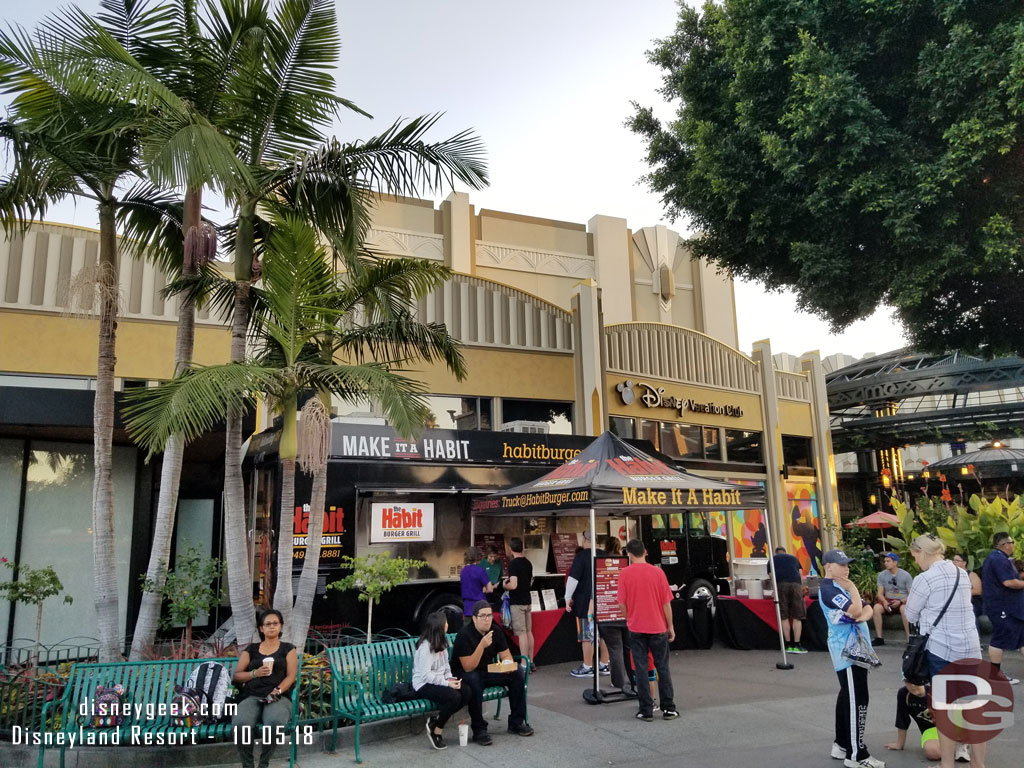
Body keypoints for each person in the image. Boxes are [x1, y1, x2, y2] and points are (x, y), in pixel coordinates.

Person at [905, 533, 986, 768]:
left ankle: (947, 764)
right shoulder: (961, 574)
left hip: (942, 651)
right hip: (971, 649)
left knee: (945, 710)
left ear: (921, 552)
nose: (916, 561)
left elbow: (910, 614)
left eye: (915, 555)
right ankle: (978, 764)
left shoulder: (924, 579)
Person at [818, 549, 883, 768]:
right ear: (829, 566)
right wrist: (854, 591)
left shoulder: (839, 588)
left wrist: (858, 612)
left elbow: (867, 610)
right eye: (842, 564)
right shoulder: (829, 590)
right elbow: (857, 610)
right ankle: (857, 755)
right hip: (847, 652)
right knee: (858, 699)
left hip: (857, 650)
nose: (846, 568)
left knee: (849, 696)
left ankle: (843, 744)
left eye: (847, 564)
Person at [452, 599, 533, 745]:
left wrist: (507, 664)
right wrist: (481, 646)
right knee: (474, 681)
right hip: (464, 674)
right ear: (475, 618)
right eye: (483, 616)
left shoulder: (495, 631)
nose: (487, 620)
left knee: (517, 673)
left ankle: (516, 722)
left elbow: (506, 655)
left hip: (487, 671)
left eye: (489, 615)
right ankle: (479, 730)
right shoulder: (464, 635)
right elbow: (468, 667)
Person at [616, 538, 678, 722]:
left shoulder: (624, 574)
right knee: (663, 668)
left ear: (628, 554)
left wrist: (629, 618)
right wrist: (670, 626)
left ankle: (646, 709)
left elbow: (621, 603)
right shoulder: (658, 573)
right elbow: (666, 603)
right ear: (645, 552)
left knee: (641, 669)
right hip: (658, 626)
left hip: (636, 627)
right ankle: (668, 708)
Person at [231, 609, 299, 768]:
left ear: (281, 626)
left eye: (275, 623)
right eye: (267, 624)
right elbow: (237, 675)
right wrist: (254, 673)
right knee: (241, 725)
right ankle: (248, 765)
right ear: (261, 628)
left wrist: (278, 690)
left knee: (274, 723)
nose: (272, 627)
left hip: (278, 697)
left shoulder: (288, 649)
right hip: (252, 695)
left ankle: (263, 763)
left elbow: (291, 676)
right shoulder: (251, 649)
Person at [413, 611, 470, 750]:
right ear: (440, 626)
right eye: (445, 623)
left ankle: (436, 720)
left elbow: (445, 666)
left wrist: (450, 679)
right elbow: (426, 675)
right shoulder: (426, 647)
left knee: (467, 691)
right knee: (454, 697)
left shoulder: (441, 642)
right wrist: (447, 683)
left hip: (440, 680)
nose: (447, 625)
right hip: (423, 684)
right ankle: (437, 730)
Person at [565, 529, 610, 677]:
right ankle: (604, 664)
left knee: (586, 634)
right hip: (604, 599)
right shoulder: (604, 555)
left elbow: (573, 579)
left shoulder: (581, 556)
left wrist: (567, 598)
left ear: (585, 540)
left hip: (584, 601)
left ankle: (587, 666)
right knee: (603, 634)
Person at [981, 531, 1024, 685]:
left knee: (1022, 638)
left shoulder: (1000, 558)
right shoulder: (998, 559)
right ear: (1005, 544)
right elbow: (1009, 582)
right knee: (999, 638)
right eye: (1012, 543)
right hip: (1001, 607)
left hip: (1011, 607)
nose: (1013, 545)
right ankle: (995, 674)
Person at [883, 682, 940, 761]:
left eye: (916, 681)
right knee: (932, 752)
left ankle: (958, 747)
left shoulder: (936, 692)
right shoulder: (904, 694)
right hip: (930, 730)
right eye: (908, 682)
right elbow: (902, 719)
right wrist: (900, 744)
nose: (912, 685)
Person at [502, 537, 535, 671]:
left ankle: (524, 663)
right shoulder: (528, 563)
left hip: (517, 602)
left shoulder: (513, 564)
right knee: (528, 632)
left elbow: (513, 584)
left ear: (511, 549)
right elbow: (531, 581)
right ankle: (531, 661)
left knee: (521, 633)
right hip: (527, 600)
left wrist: (505, 585)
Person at [772, 546, 807, 654]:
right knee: (797, 615)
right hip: (795, 585)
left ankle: (787, 644)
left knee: (784, 615)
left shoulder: (772, 559)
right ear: (785, 552)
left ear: (776, 553)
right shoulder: (793, 558)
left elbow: (771, 575)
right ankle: (797, 644)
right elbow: (800, 573)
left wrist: (774, 590)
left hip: (780, 585)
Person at [871, 553, 912, 645]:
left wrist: (901, 601)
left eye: (888, 561)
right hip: (888, 600)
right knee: (877, 608)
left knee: (904, 609)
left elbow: (911, 595)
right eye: (885, 561)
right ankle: (879, 638)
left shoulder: (906, 575)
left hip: (902, 600)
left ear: (895, 562)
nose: (886, 563)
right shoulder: (882, 575)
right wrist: (885, 602)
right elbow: (880, 593)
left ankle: (909, 638)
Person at [951, 553, 984, 634]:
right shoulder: (951, 576)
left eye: (957, 560)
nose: (954, 562)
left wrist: (961, 593)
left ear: (964, 563)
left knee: (970, 612)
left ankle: (976, 638)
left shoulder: (971, 575)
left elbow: (977, 590)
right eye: (953, 560)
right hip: (955, 603)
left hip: (972, 602)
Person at [460, 546, 494, 620]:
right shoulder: (480, 571)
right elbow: (490, 589)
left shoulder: (463, 571)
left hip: (467, 608)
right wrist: (484, 590)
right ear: (478, 557)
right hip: (480, 608)